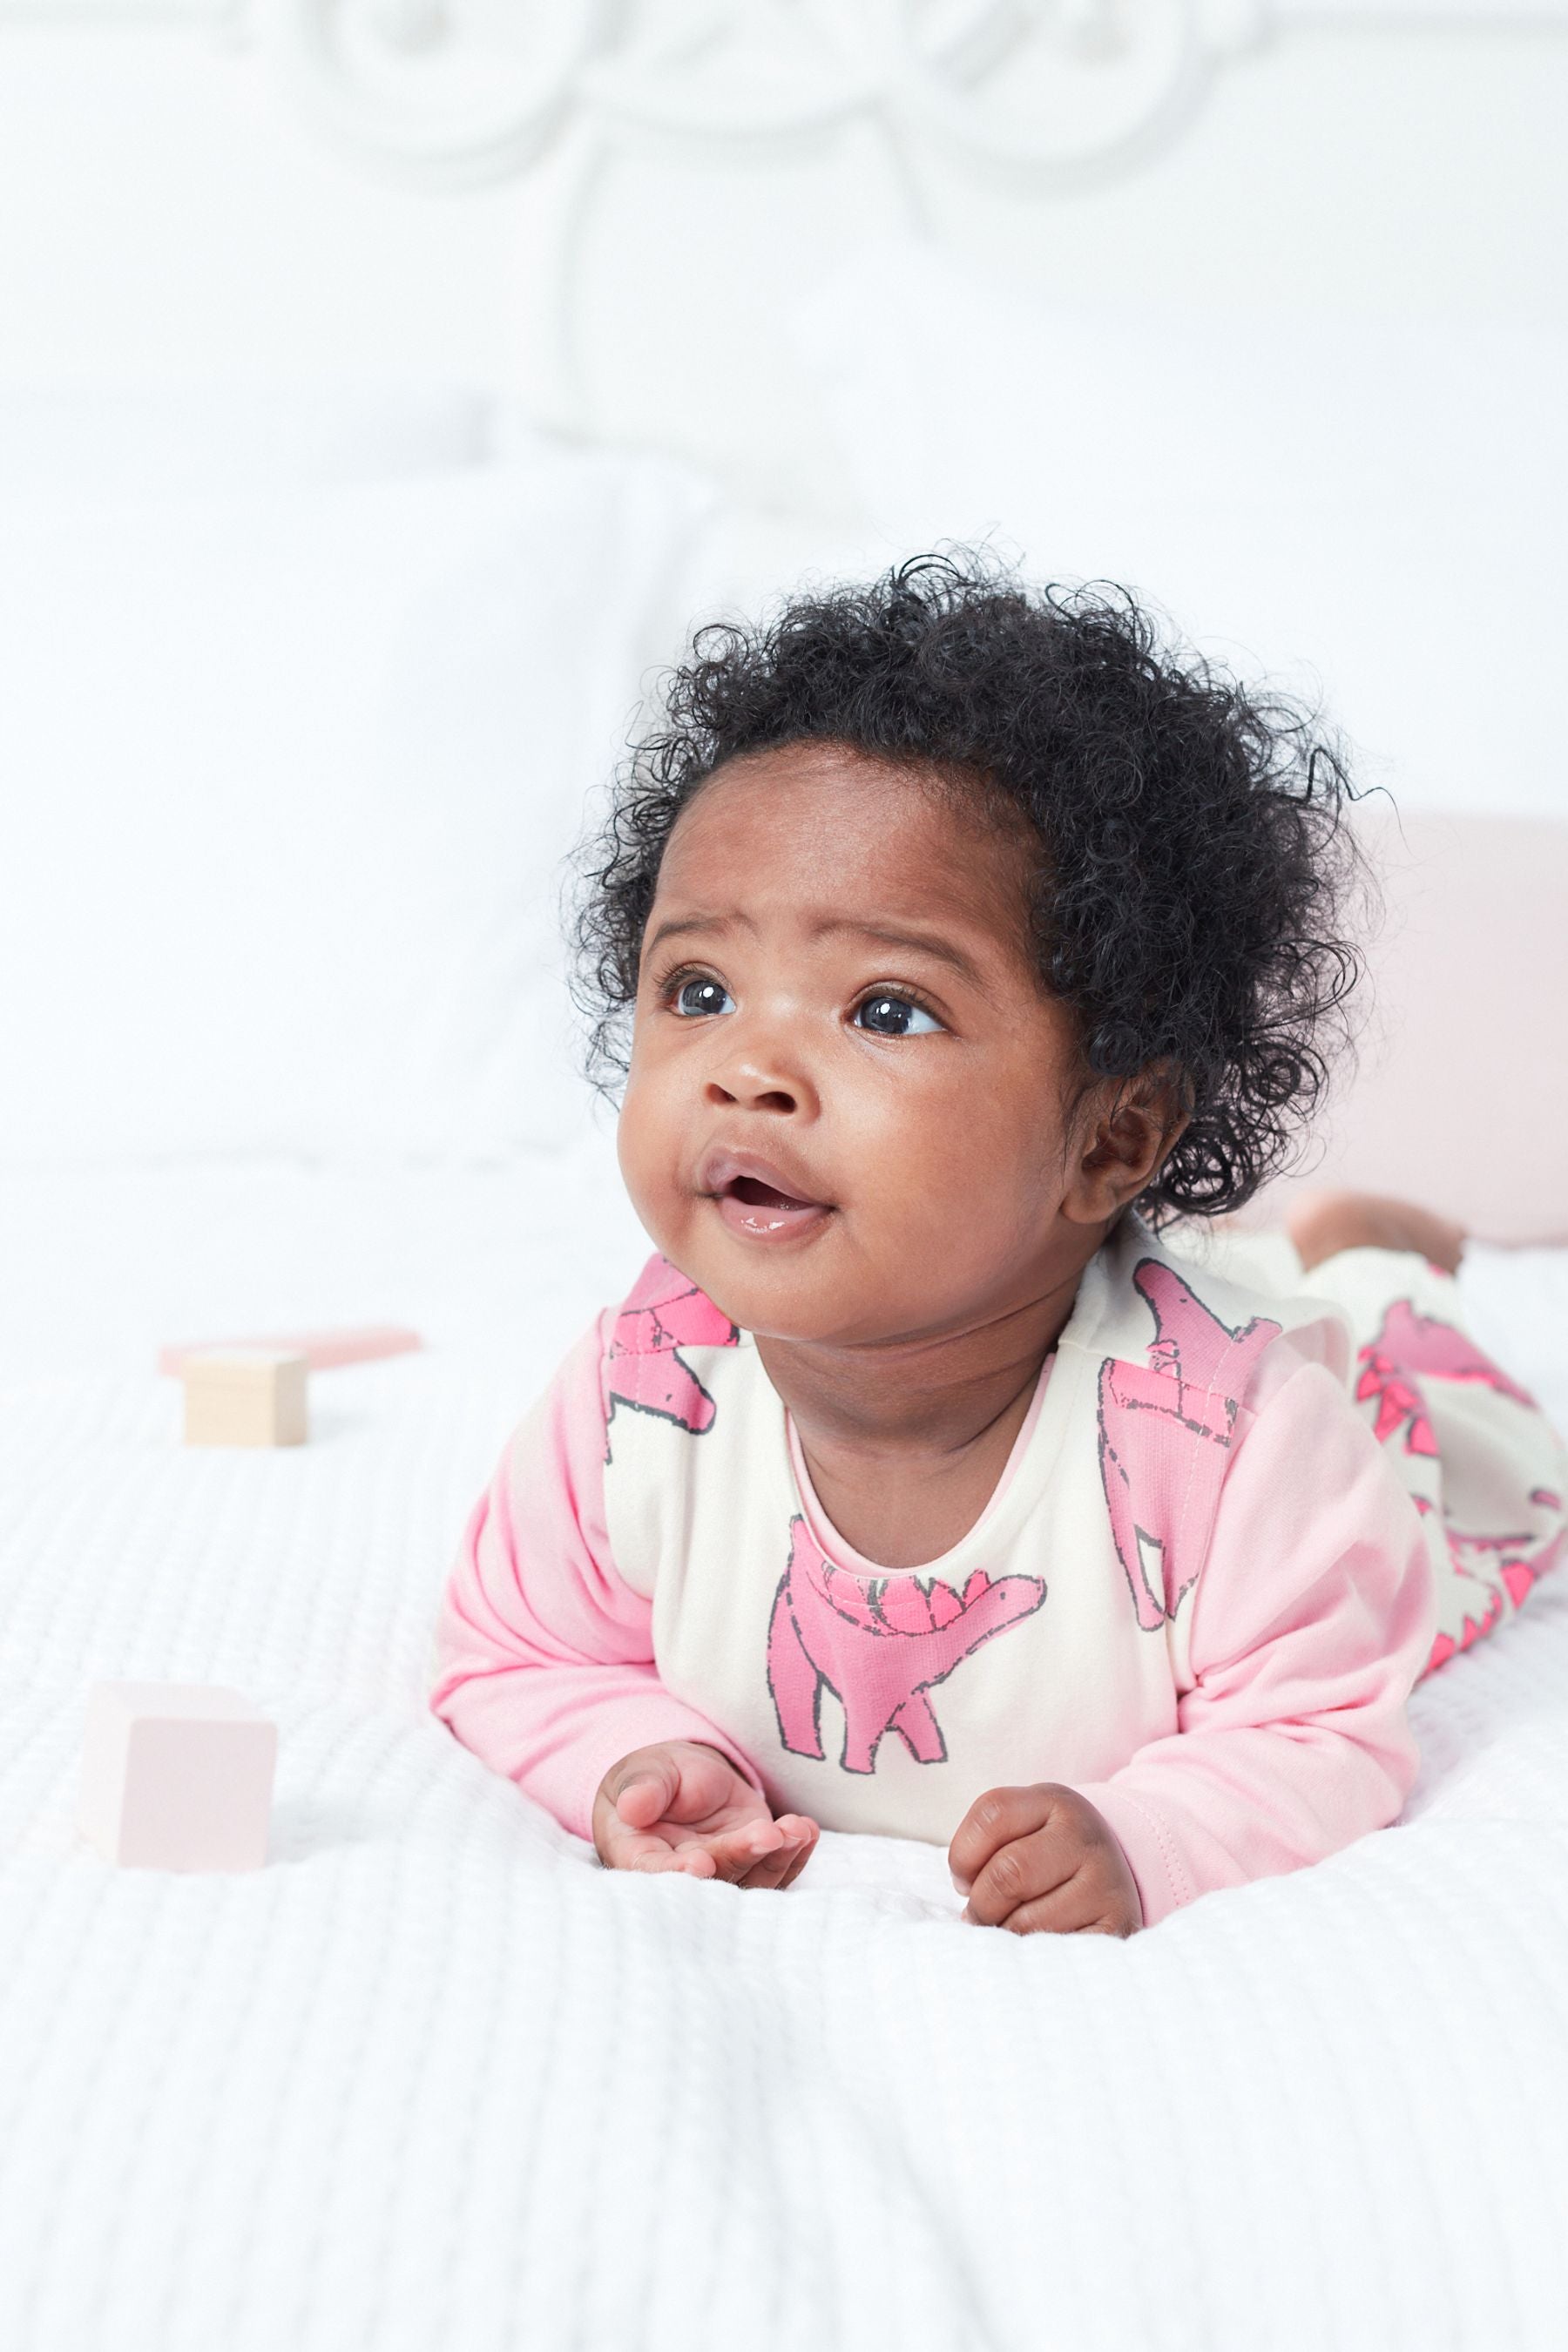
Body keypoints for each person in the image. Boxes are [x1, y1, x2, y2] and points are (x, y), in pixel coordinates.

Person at [428, 555, 1565, 1936]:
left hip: (1389, 1450)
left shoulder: (1242, 1441)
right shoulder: (641, 1397)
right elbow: (517, 1653)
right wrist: (641, 1760)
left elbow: (1323, 1727)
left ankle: (1371, 1257)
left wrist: (1154, 1834)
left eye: (887, 1010)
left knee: (1440, 1400)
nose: (748, 1070)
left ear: (1113, 1136)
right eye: (701, 989)